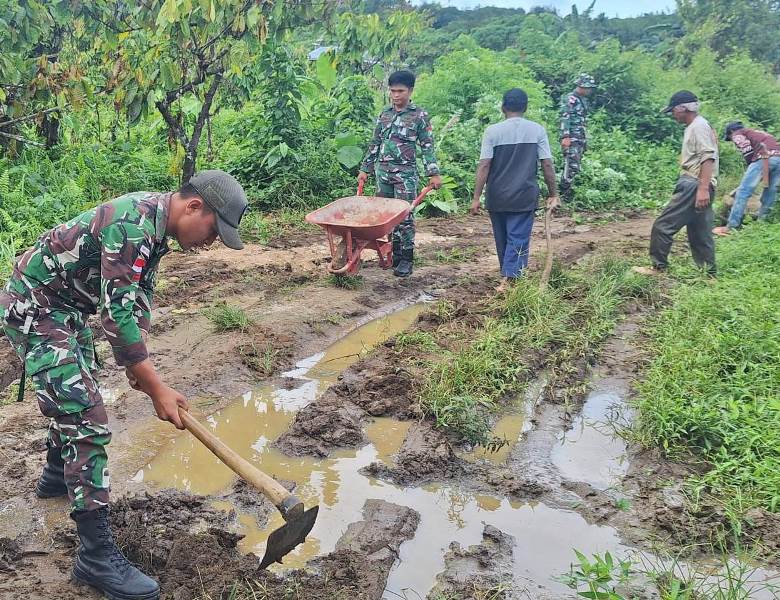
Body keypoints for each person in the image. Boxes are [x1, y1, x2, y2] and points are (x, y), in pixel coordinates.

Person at [0, 169, 248, 600]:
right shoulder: (132, 223)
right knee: (85, 414)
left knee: (79, 390)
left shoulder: (156, 227)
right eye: (214, 230)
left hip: (65, 307)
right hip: (36, 307)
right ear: (194, 207)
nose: (212, 242)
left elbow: (138, 298)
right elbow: (114, 318)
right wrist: (156, 388)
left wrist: (141, 365)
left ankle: (57, 478)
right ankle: (95, 558)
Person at [470, 88, 560, 291]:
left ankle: (509, 277)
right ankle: (510, 279)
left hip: (497, 196)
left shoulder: (492, 131)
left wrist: (476, 197)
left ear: (503, 108)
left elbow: (484, 165)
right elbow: (547, 164)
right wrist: (553, 193)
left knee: (502, 238)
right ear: (525, 107)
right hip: (523, 195)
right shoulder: (537, 130)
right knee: (517, 238)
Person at [357, 70, 442, 278]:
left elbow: (427, 146)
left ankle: (406, 258)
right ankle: (394, 254)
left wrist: (433, 173)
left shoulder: (419, 116)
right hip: (383, 173)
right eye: (393, 91)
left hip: (405, 175)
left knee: (404, 216)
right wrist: (365, 169)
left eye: (401, 91)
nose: (396, 95)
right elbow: (375, 143)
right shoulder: (384, 114)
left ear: (410, 90)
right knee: (386, 217)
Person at [634, 91, 718, 276]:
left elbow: (708, 157)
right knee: (700, 231)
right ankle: (709, 274)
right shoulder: (699, 125)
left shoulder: (698, 126)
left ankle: (658, 267)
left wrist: (702, 189)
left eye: (674, 110)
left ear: (683, 108)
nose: (673, 114)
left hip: (694, 184)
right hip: (701, 183)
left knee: (663, 226)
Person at [713, 121, 780, 235]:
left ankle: (732, 226)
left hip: (763, 158)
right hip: (778, 159)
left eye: (730, 137)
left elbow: (748, 151)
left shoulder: (737, 134)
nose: (732, 140)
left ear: (731, 132)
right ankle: (761, 225)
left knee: (743, 192)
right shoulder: (758, 133)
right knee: (770, 193)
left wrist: (751, 173)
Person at [559, 73, 596, 201]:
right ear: (581, 86)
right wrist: (565, 136)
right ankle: (564, 192)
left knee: (576, 164)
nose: (590, 90)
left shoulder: (582, 100)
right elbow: (565, 117)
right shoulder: (570, 99)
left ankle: (568, 190)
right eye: (588, 87)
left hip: (580, 137)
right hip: (572, 137)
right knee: (571, 164)